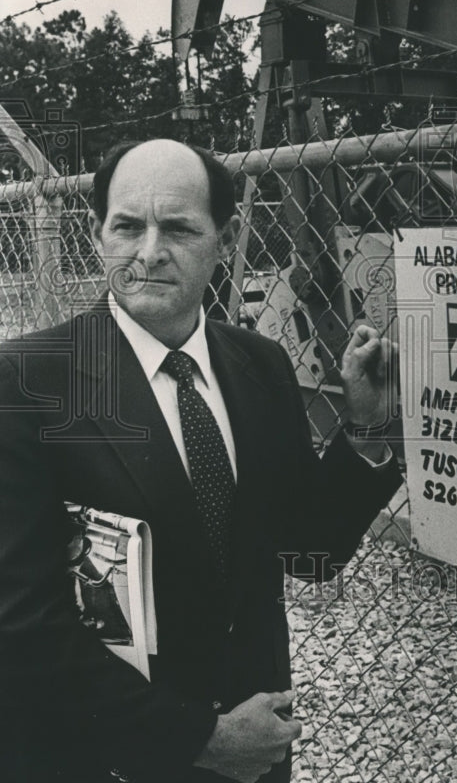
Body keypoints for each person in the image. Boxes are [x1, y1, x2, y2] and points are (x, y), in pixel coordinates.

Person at [0, 139, 403, 782]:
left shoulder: (260, 365)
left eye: (180, 228)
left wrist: (371, 428)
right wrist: (201, 739)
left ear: (225, 236)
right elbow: (19, 624)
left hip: (253, 742)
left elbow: (309, 549)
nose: (149, 253)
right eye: (127, 226)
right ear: (96, 232)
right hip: (101, 755)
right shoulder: (24, 383)